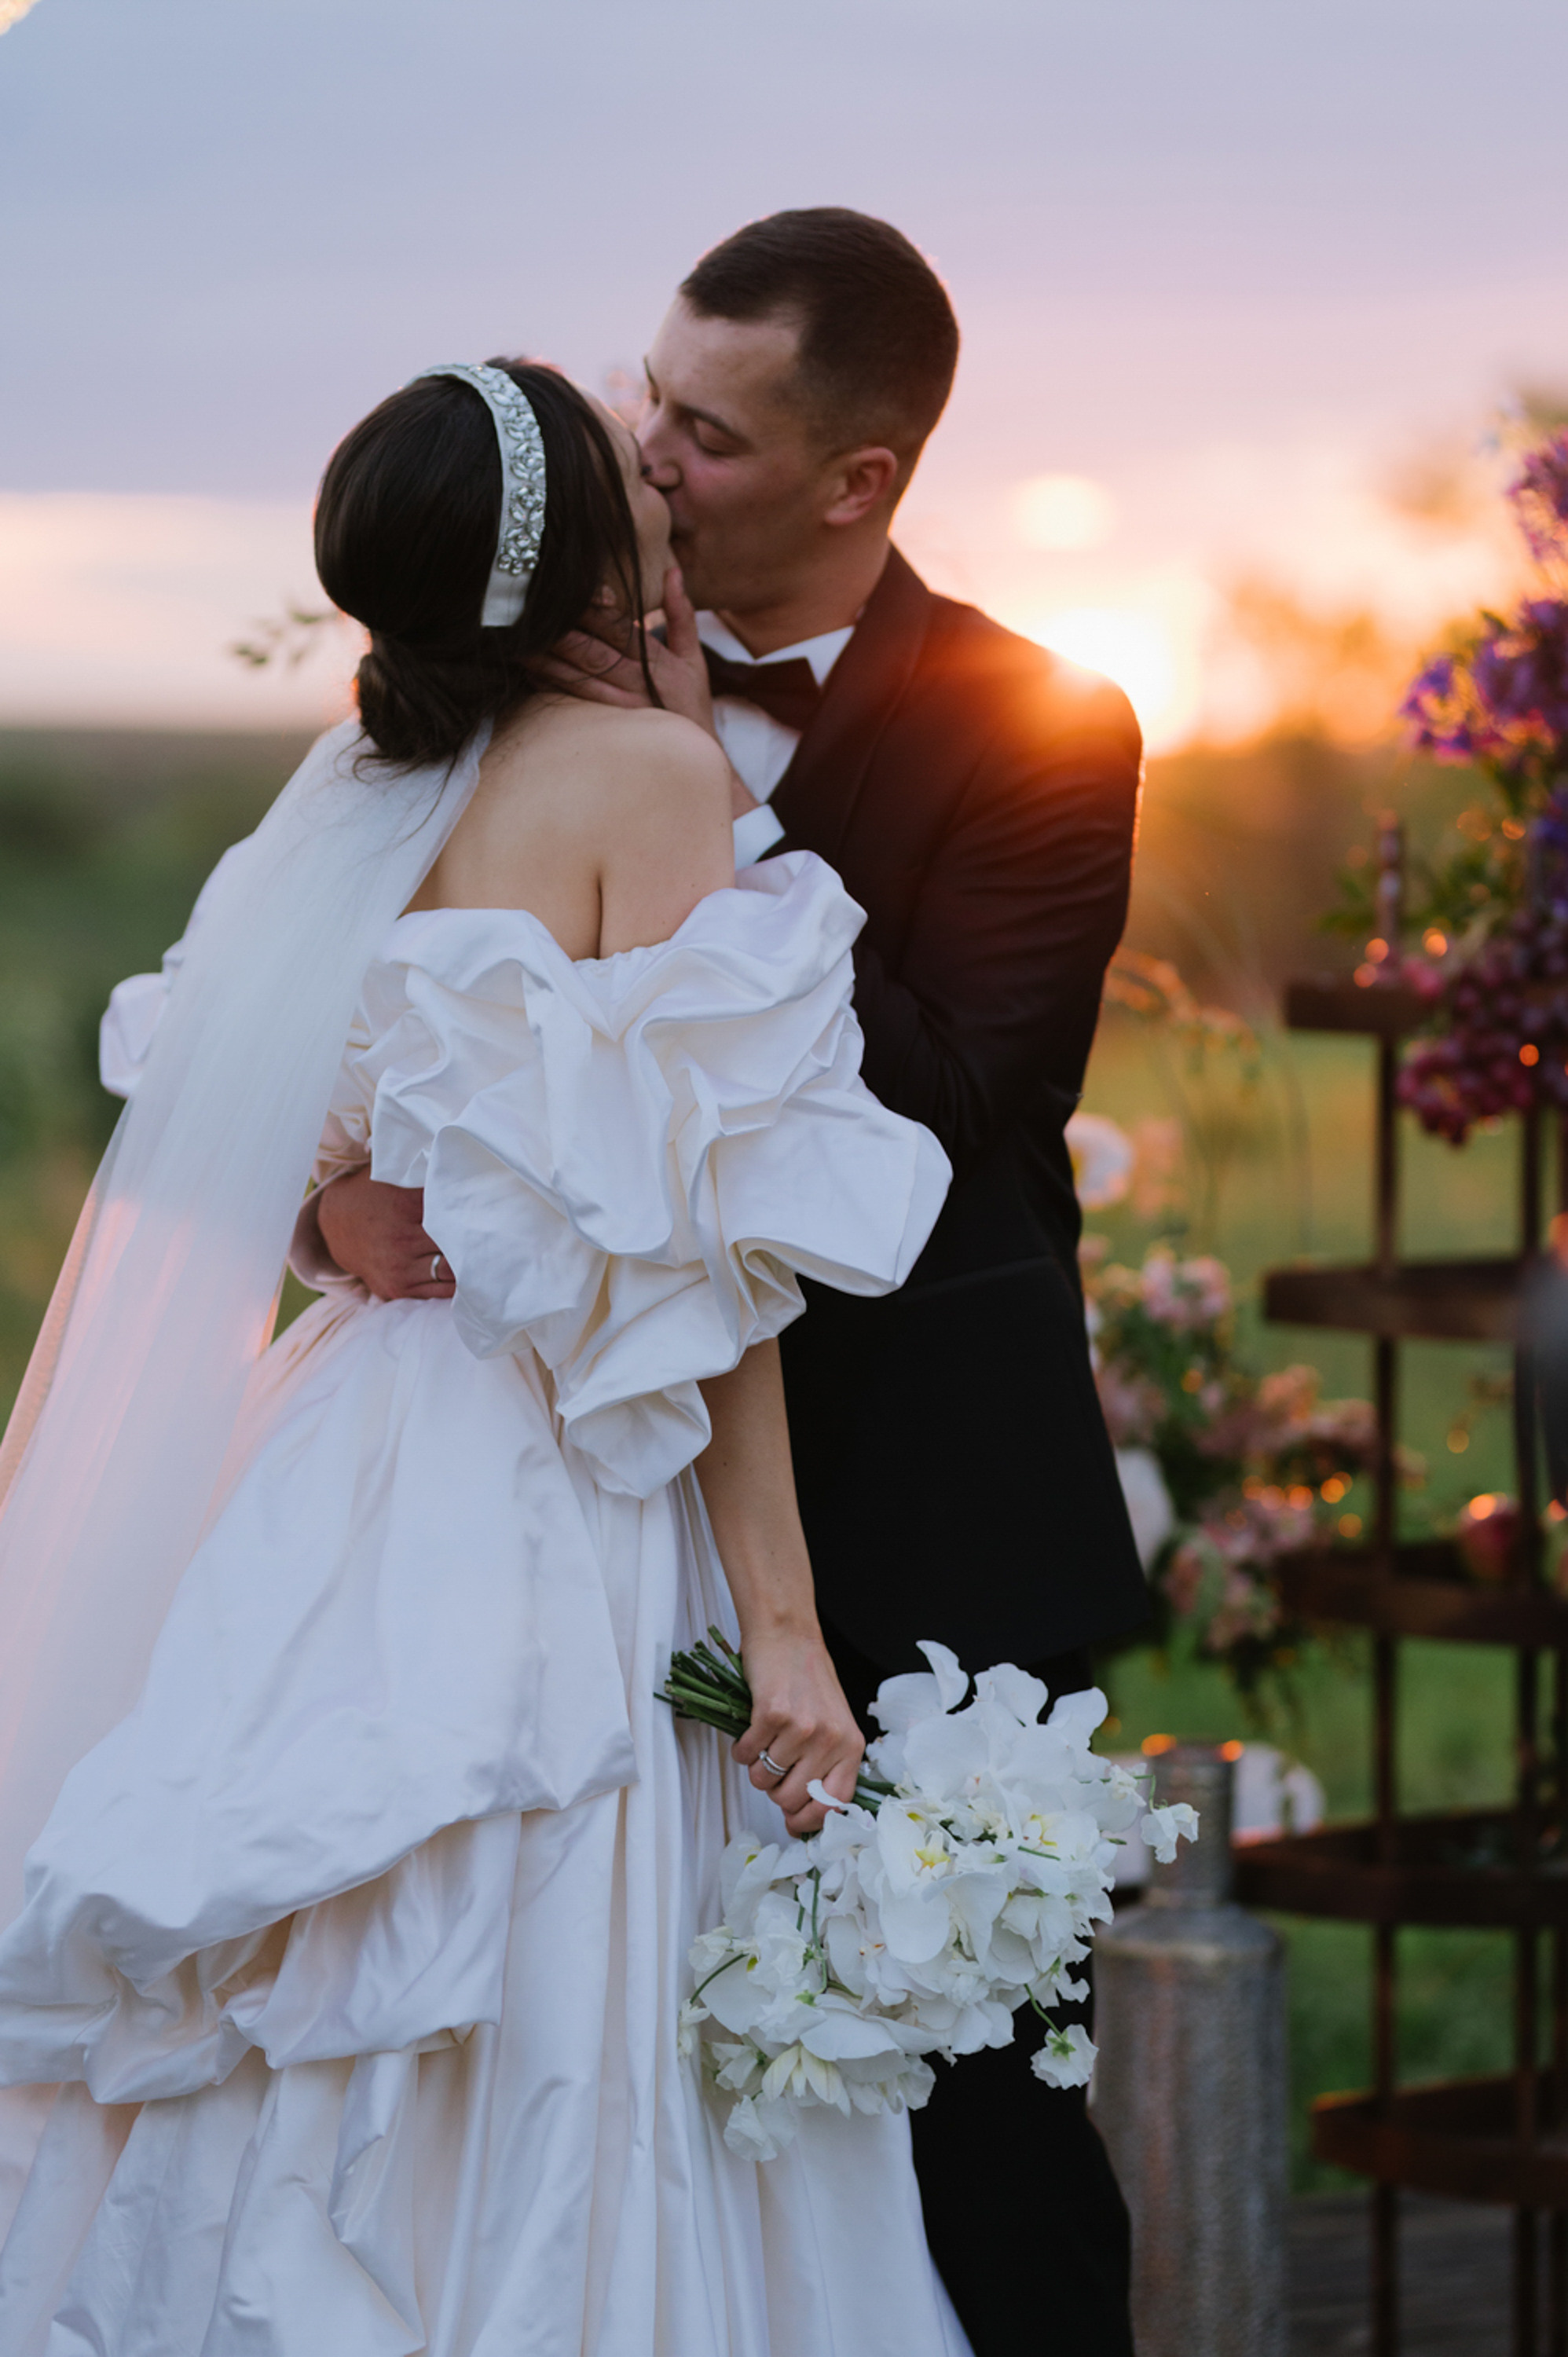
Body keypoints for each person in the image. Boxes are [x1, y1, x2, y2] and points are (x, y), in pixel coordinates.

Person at [0, 359, 968, 2353]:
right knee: (552, 1974)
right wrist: (783, 1629)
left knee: (317, 1972)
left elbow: (215, 1109)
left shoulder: (359, 782)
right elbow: (704, 1256)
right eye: (641, 474)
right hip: (554, 1468)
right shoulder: (646, 784)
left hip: (349, 1432)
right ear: (580, 553)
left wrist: (323, 1217)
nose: (671, 496)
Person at [317, 210, 1152, 2356]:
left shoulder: (1043, 721)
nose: (646, 457)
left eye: (703, 431)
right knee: (623, 2112)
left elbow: (966, 1098)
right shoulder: (490, 725)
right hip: (599, 1538)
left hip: (929, 1530)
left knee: (971, 2115)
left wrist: (730, 848)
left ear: (856, 480)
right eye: (648, 400)